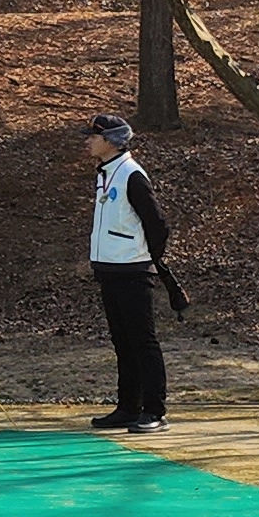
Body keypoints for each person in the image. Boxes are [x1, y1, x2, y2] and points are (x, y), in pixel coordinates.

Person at [84, 112, 174, 433]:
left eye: (94, 137)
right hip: (109, 270)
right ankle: (128, 407)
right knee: (122, 342)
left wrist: (145, 256)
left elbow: (158, 224)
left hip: (133, 270)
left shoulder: (132, 175)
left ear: (111, 141)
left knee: (143, 342)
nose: (88, 142)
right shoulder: (106, 174)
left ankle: (154, 410)